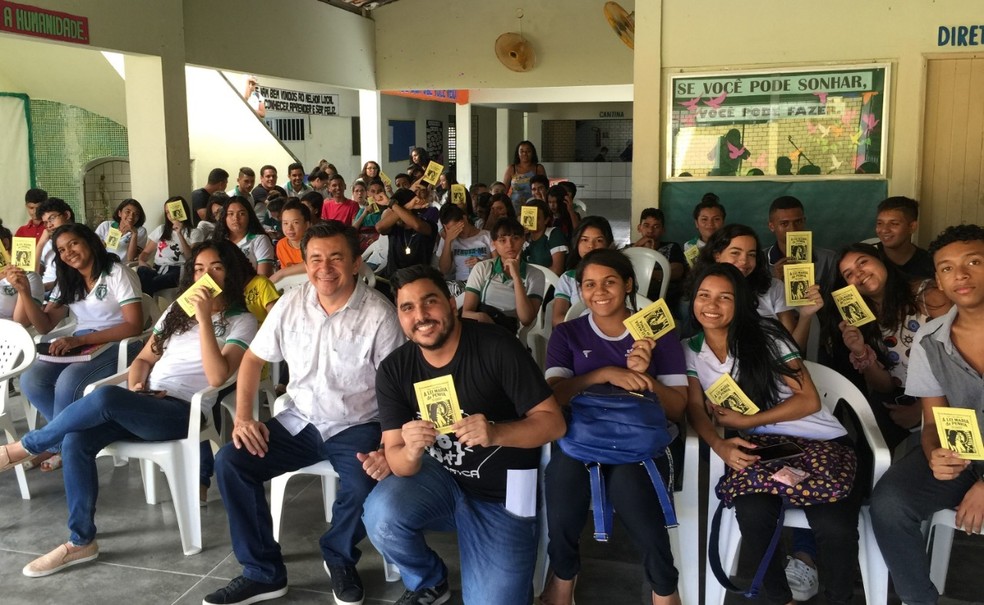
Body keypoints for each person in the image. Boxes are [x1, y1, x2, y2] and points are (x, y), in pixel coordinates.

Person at [1, 240, 257, 577]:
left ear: (232, 274)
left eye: (216, 269)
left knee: (106, 397)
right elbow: (143, 359)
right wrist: (138, 386)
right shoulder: (177, 311)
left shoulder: (244, 322)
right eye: (198, 269)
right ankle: (81, 541)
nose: (204, 277)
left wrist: (206, 320)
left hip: (182, 413)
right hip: (146, 403)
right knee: (78, 440)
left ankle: (25, 447)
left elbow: (218, 375)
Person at [205, 222, 403, 605]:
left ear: (356, 263)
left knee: (366, 482)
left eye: (335, 258)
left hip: (358, 424)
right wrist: (244, 418)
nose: (324, 268)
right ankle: (263, 573)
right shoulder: (291, 304)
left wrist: (388, 445)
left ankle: (339, 554)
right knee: (232, 461)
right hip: (300, 420)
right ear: (304, 262)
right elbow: (251, 360)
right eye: (315, 259)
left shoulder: (380, 316)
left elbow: (397, 387)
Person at [363, 264, 566, 605]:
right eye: (407, 308)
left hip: (504, 492)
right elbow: (397, 459)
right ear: (399, 316)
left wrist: (496, 432)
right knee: (381, 513)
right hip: (441, 478)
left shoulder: (496, 347)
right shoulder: (395, 369)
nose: (421, 316)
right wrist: (411, 452)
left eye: (430, 302)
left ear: (451, 303)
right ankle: (429, 581)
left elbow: (553, 423)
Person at [685, 262, 862, 605]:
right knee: (752, 513)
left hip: (820, 442)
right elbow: (694, 407)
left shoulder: (767, 336)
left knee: (835, 527)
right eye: (703, 295)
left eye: (725, 297)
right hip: (764, 449)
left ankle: (839, 598)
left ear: (741, 303)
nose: (711, 305)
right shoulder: (690, 349)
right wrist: (720, 445)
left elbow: (808, 400)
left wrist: (748, 421)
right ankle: (781, 598)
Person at [539, 249, 687, 605]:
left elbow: (679, 408)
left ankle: (664, 588)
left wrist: (644, 376)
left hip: (643, 441)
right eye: (589, 284)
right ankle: (562, 577)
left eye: (609, 282)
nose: (599, 292)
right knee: (561, 487)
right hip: (582, 438)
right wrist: (604, 374)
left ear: (628, 285)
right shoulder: (568, 334)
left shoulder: (656, 332)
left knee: (632, 490)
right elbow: (555, 395)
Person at [869, 224, 984, 605]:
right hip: (967, 453)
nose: (961, 275)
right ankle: (918, 599)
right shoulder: (931, 337)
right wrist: (935, 453)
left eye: (973, 262)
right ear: (938, 279)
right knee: (890, 503)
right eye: (947, 268)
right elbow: (933, 422)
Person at [11, 224, 144, 471]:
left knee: (68, 382)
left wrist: (81, 340)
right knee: (31, 379)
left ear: (90, 241)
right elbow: (44, 325)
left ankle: (54, 445)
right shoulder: (68, 280)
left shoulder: (117, 273)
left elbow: (134, 325)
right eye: (61, 249)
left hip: (119, 343)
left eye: (73, 243)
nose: (68, 252)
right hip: (83, 344)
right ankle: (61, 441)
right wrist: (24, 293)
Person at [824, 243, 950, 450]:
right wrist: (860, 351)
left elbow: (963, 364)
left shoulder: (928, 296)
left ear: (881, 260)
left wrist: (922, 410)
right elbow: (886, 385)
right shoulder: (863, 319)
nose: (859, 274)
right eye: (849, 274)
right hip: (901, 396)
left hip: (949, 396)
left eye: (863, 262)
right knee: (868, 448)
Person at [693, 224, 822, 353]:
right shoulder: (702, 292)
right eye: (735, 253)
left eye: (751, 254)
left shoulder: (773, 287)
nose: (744, 260)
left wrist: (805, 315)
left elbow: (793, 348)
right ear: (717, 256)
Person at [462, 216, 545, 331]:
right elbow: (466, 313)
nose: (509, 245)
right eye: (502, 240)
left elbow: (526, 319)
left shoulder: (536, 275)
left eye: (515, 238)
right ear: (494, 244)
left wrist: (516, 276)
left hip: (507, 332)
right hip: (481, 326)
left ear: (523, 240)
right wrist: (483, 317)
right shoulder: (482, 268)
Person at [763, 196, 838, 292]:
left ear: (804, 221)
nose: (792, 230)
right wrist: (776, 282)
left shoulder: (829, 259)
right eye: (784, 224)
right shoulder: (759, 260)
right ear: (771, 226)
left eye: (798, 222)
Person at [552, 216, 614, 327]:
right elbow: (557, 319)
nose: (591, 245)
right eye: (584, 240)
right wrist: (588, 326)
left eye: (599, 240)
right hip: (579, 334)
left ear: (608, 244)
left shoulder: (618, 276)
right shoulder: (568, 278)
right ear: (577, 243)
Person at [137, 196, 203, 295]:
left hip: (178, 269)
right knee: (141, 272)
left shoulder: (195, 232)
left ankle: (145, 306)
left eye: (172, 211)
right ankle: (146, 305)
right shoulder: (161, 229)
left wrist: (179, 233)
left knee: (150, 283)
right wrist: (141, 261)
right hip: (157, 268)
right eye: (167, 212)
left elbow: (191, 257)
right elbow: (146, 252)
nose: (170, 215)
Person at [375, 187, 438, 280]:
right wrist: (406, 207)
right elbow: (379, 227)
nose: (392, 212)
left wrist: (397, 206)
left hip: (418, 280)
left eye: (395, 209)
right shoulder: (394, 227)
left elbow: (417, 226)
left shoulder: (428, 224)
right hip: (394, 279)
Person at [633, 207, 687, 303]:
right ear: (639, 228)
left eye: (656, 226)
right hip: (635, 297)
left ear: (663, 230)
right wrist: (637, 247)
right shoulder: (628, 249)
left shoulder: (672, 247)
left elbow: (676, 272)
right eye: (646, 225)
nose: (650, 230)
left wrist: (647, 273)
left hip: (666, 297)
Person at [873, 196, 935, 280]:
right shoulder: (868, 257)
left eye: (894, 223)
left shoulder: (929, 263)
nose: (884, 230)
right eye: (880, 223)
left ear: (912, 227)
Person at [213, 196, 275, 277]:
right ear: (224, 217)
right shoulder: (218, 241)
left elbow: (264, 278)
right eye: (231, 214)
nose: (236, 218)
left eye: (241, 213)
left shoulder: (259, 240)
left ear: (249, 216)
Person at [435, 203, 491, 285]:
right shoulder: (449, 239)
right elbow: (444, 270)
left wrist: (482, 264)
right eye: (453, 230)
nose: (459, 232)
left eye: (459, 227)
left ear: (464, 218)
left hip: (484, 282)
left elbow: (498, 264)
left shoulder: (487, 236)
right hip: (461, 285)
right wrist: (448, 241)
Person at [32, 197, 75, 291]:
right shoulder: (48, 243)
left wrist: (47, 287)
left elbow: (77, 277)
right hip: (44, 291)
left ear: (66, 215)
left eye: (52, 218)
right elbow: (33, 273)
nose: (49, 225)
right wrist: (41, 243)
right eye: (45, 222)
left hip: (64, 291)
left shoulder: (81, 240)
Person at [522, 198, 568, 276]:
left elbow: (557, 269)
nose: (532, 221)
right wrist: (521, 238)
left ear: (546, 220)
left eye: (537, 218)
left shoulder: (554, 234)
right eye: (528, 217)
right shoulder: (523, 239)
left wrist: (534, 277)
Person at [270, 200, 310, 283]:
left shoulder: (313, 243)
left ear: (307, 225)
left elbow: (313, 265)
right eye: (285, 223)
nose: (289, 228)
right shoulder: (281, 245)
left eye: (295, 223)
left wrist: (281, 273)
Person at [503, 140, 547, 214]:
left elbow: (545, 188)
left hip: (534, 205)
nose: (525, 154)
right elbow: (504, 190)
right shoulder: (511, 168)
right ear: (518, 153)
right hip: (514, 207)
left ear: (532, 153)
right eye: (522, 151)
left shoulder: (538, 168)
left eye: (528, 151)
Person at [683, 193, 725, 259]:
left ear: (723, 222)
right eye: (704, 219)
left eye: (716, 219)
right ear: (696, 223)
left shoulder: (730, 244)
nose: (710, 224)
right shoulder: (690, 245)